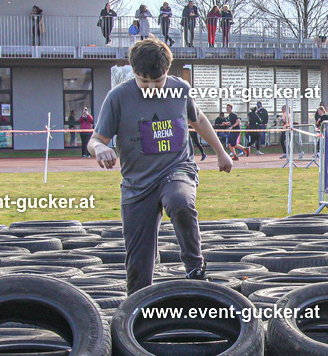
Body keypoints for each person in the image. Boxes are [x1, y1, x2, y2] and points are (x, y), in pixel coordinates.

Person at [89, 37, 233, 292]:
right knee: (138, 265)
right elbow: (95, 139)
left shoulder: (180, 89)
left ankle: (195, 266)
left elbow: (198, 119)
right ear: (133, 72)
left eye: (158, 80)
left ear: (167, 70)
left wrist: (221, 152)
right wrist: (100, 148)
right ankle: (138, 305)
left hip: (176, 169)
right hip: (137, 184)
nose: (152, 87)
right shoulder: (118, 97)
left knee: (180, 201)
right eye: (144, 82)